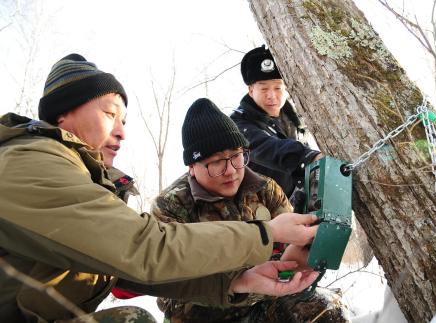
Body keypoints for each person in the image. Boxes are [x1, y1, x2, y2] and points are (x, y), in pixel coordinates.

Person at [0, 54, 320, 322]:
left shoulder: (86, 180)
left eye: (124, 121)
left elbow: (129, 270)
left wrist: (238, 281)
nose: (121, 132)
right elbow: (145, 249)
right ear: (62, 115)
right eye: (110, 114)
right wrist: (266, 233)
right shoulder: (28, 163)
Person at [152, 98, 341, 323]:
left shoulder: (265, 189)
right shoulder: (171, 205)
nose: (231, 170)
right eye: (217, 162)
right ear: (192, 167)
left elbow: (289, 252)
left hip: (262, 305)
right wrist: (246, 282)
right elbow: (169, 294)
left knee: (325, 310)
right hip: (204, 315)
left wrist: (294, 261)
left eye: (236, 156)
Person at [230, 45, 324, 207]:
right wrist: (307, 157)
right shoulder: (238, 125)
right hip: (259, 213)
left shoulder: (295, 120)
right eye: (264, 88)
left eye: (278, 88)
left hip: (301, 204)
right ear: (251, 90)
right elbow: (267, 147)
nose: (272, 96)